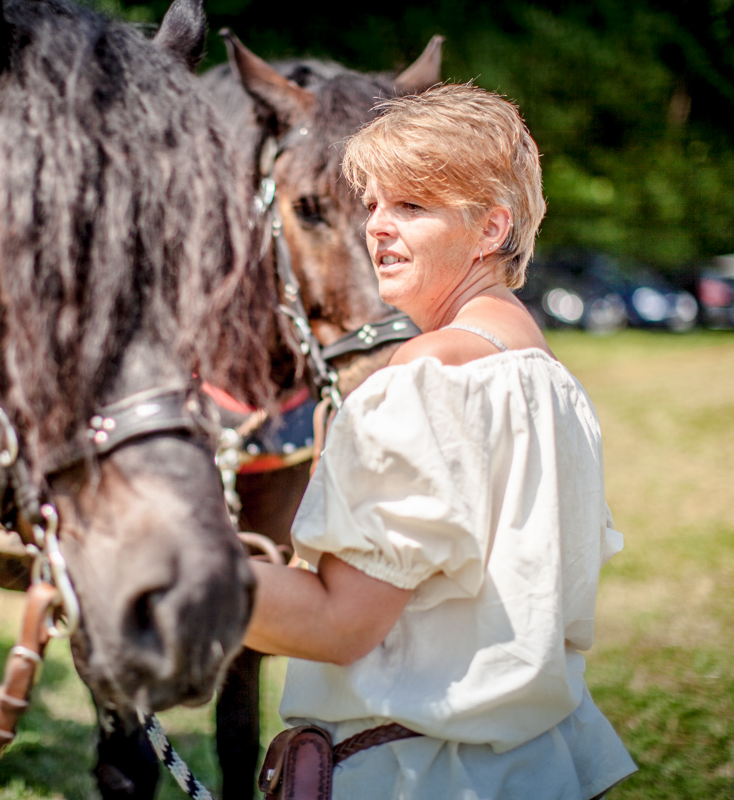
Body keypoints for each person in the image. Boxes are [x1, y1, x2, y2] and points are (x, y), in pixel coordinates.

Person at [243, 83, 637, 799]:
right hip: (532, 768)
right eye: (374, 205)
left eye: (412, 206)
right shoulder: (548, 381)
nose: (377, 229)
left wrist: (166, 573)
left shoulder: (423, 380)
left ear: (491, 229)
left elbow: (339, 625)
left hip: (413, 775)